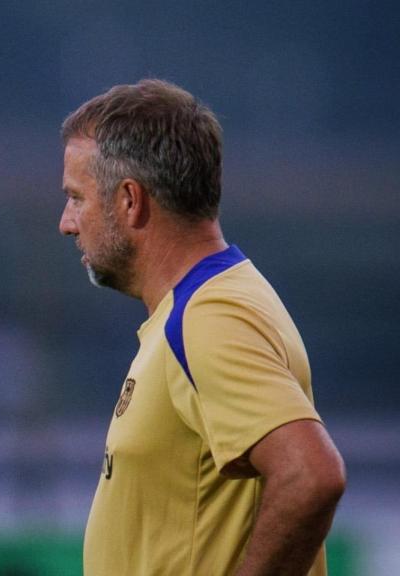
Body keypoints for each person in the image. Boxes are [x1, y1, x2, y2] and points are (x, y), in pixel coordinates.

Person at [58, 79, 345, 575]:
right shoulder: (203, 306)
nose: (66, 222)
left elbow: (311, 474)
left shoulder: (210, 317)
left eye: (76, 198)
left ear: (130, 201)